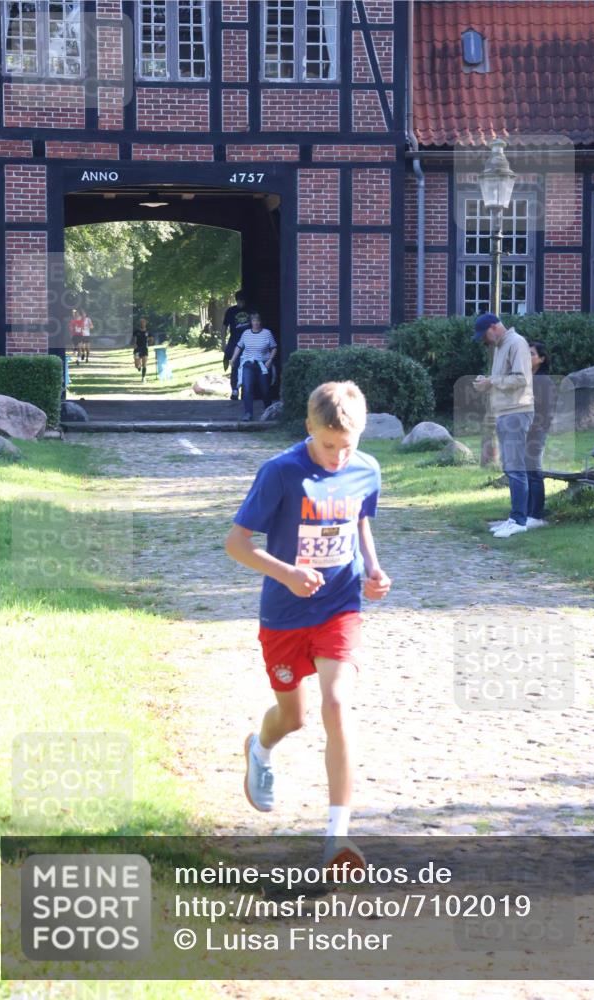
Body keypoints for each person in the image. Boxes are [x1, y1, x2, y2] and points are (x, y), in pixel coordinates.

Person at [225, 381, 392, 873]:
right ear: (308, 429)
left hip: (340, 605)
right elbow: (237, 543)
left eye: (348, 445)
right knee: (293, 718)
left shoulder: (367, 469)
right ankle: (260, 748)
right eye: (328, 444)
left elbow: (360, 520)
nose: (339, 456)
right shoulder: (280, 472)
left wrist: (373, 568)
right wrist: (288, 574)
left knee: (336, 704)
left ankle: (337, 839)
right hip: (284, 614)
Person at [472, 312, 534, 538]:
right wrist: (487, 383)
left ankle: (519, 521)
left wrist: (492, 381)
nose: (484, 340)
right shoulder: (500, 346)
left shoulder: (516, 343)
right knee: (510, 467)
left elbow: (521, 378)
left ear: (493, 327)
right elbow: (503, 379)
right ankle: (515, 517)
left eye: (484, 335)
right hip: (505, 412)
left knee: (515, 468)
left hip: (517, 411)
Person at [525, 342, 557, 527]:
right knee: (525, 471)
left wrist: (536, 428)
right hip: (524, 430)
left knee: (533, 471)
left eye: (531, 354)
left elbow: (546, 409)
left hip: (535, 431)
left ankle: (536, 515)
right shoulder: (528, 378)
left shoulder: (543, 381)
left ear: (542, 359)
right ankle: (527, 512)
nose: (527, 357)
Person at [229, 312, 277, 422]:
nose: (256, 323)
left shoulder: (267, 333)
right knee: (247, 388)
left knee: (265, 389)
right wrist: (233, 359)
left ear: (260, 322)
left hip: (263, 364)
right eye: (254, 321)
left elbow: (274, 347)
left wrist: (270, 360)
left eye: (257, 321)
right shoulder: (246, 333)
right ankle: (248, 413)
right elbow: (239, 346)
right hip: (248, 364)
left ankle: (268, 411)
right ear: (251, 322)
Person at [222, 290, 252, 400]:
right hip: (234, 342)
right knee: (235, 365)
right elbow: (224, 326)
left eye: (242, 301)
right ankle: (235, 390)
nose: (240, 303)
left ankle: (247, 391)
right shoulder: (231, 311)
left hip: (248, 342)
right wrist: (223, 342)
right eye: (239, 301)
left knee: (248, 366)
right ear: (236, 300)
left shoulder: (250, 311)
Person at [131, 317, 152, 383]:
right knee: (137, 365)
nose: (142, 323)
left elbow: (151, 338)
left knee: (144, 364)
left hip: (144, 349)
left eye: (143, 322)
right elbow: (133, 339)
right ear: (139, 324)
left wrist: (150, 341)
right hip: (137, 349)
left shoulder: (148, 331)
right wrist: (134, 344)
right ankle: (138, 367)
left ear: (146, 323)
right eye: (141, 322)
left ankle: (143, 378)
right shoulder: (136, 331)